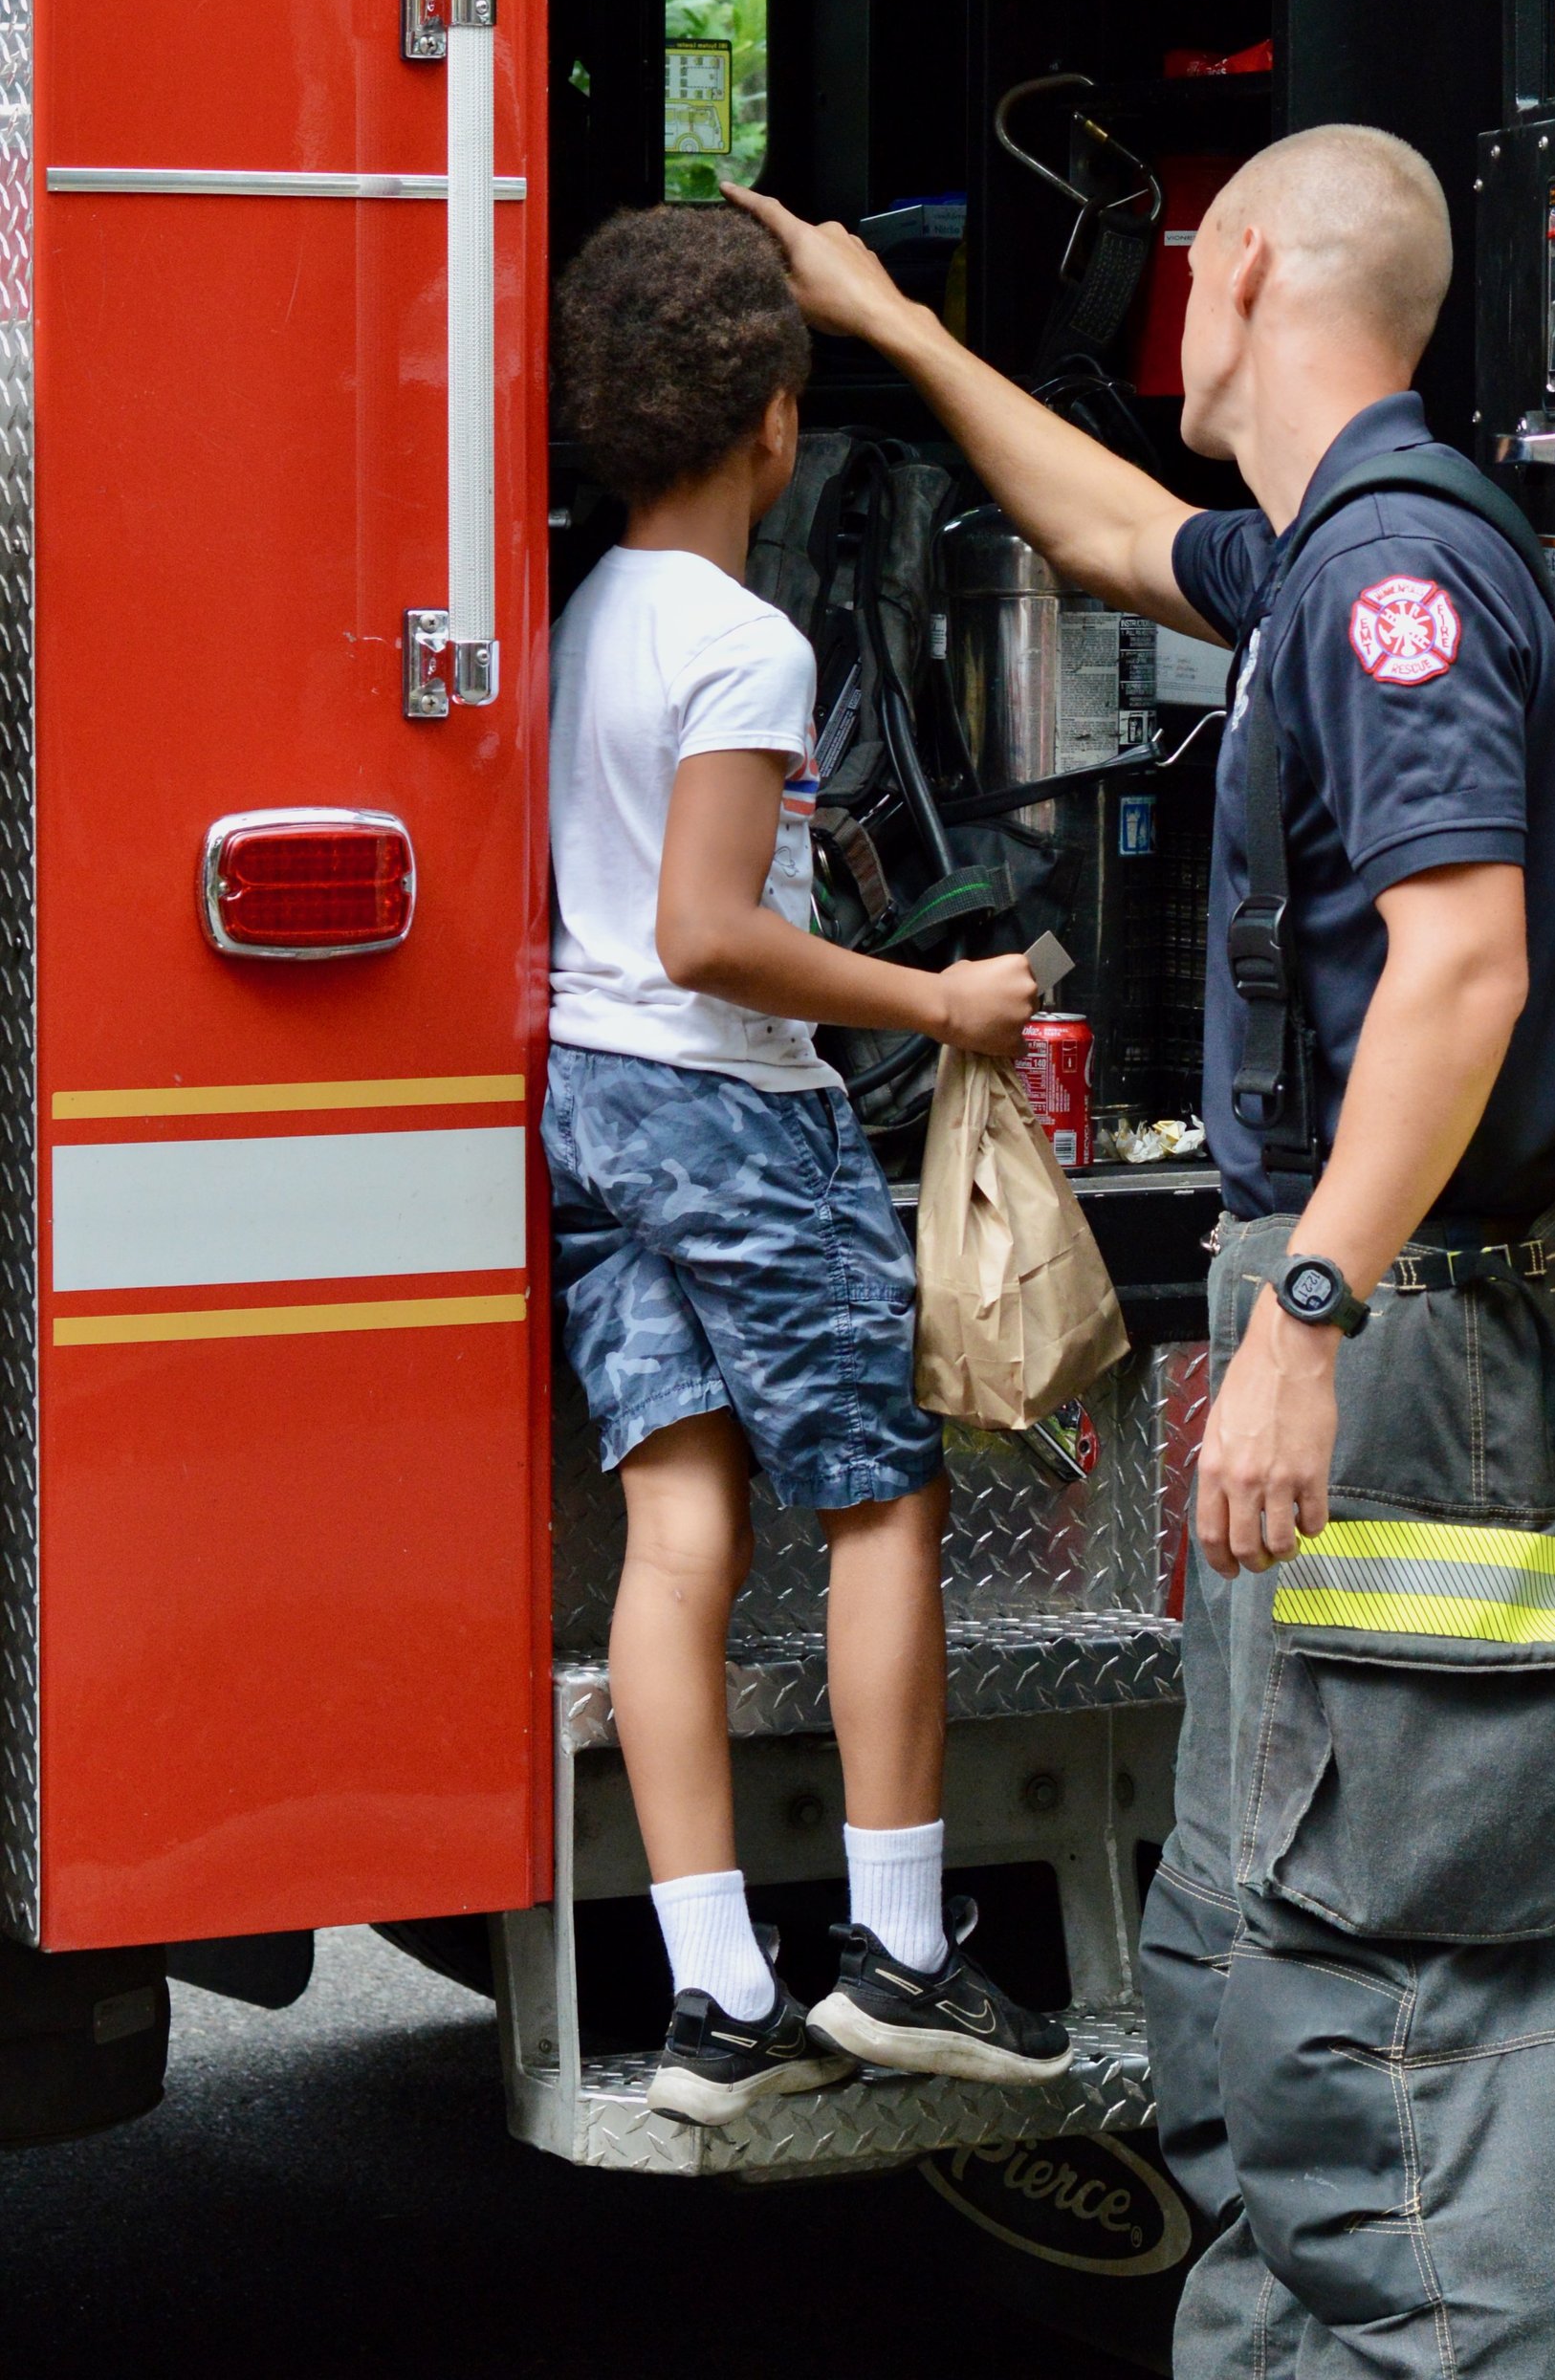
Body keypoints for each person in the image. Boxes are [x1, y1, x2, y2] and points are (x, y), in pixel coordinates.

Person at [730, 128, 1555, 2378]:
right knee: (1249, 2018)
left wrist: (1309, 1311)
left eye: (1179, 261)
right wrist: (899, 329)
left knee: (1390, 2074)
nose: (1164, 306)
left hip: (1401, 1351)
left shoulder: (1397, 580)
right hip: (1345, 1329)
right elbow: (1109, 527)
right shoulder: (1332, 550)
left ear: (1234, 263)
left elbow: (1459, 968)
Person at [544, 205, 1072, 2122]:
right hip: (727, 1102)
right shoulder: (742, 641)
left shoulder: (584, 614)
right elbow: (709, 927)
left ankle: (714, 1998)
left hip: (591, 1103)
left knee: (680, 1535)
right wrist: (943, 1001)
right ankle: (907, 1954)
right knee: (879, 1504)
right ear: (776, 422)